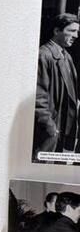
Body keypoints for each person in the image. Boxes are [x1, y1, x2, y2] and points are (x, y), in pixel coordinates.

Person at [33, 13, 80, 160]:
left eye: (77, 31)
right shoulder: (43, 55)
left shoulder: (66, 56)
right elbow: (38, 98)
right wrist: (50, 128)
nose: (76, 35)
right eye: (71, 31)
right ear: (57, 31)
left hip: (62, 132)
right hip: (49, 133)